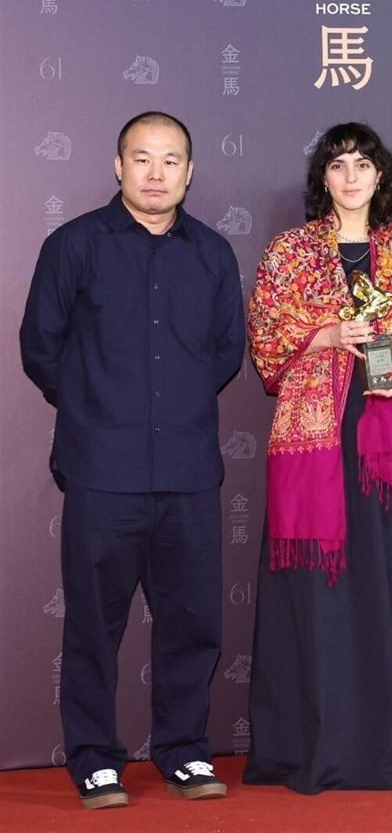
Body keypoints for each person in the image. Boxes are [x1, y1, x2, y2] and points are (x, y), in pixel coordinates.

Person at [20, 112, 244, 809]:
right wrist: (94, 408)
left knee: (193, 621)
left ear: (190, 171)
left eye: (171, 160)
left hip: (186, 471)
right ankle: (94, 759)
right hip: (101, 470)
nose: (156, 173)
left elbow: (225, 352)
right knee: (93, 624)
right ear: (118, 166)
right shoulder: (74, 245)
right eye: (142, 159)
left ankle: (183, 752)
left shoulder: (211, 254)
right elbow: (40, 345)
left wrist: (169, 406)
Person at [243, 122, 392, 795]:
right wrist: (326, 334)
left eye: (363, 164)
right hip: (317, 440)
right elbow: (267, 345)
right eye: (338, 164)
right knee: (323, 595)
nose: (350, 176)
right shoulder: (289, 254)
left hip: (390, 446)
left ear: (381, 177)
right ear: (323, 178)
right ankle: (319, 747)